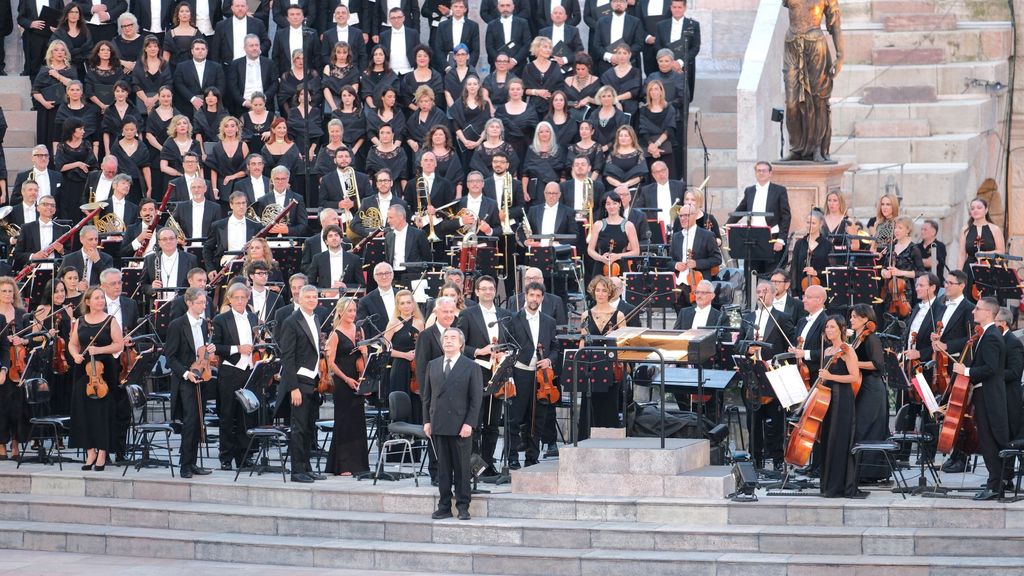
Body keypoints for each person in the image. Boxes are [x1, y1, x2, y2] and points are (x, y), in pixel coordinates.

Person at [952, 297, 1009, 500]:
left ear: (988, 313)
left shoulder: (991, 336)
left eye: (977, 308)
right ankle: (995, 483)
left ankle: (995, 487)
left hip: (989, 397)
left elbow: (991, 368)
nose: (973, 311)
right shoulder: (987, 334)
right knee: (987, 441)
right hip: (984, 395)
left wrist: (965, 370)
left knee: (989, 441)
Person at [423, 326, 482, 520]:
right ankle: (444, 506)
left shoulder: (471, 366)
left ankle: (463, 506)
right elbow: (427, 397)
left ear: (461, 343)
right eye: (445, 338)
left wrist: (469, 424)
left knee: (462, 468)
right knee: (443, 469)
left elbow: (476, 399)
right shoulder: (432, 365)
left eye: (453, 338)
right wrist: (427, 421)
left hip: (460, 425)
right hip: (439, 423)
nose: (448, 340)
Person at [68, 285, 123, 471]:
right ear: (88, 302)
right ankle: (90, 451)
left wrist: (99, 350)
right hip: (83, 371)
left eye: (102, 297)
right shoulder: (80, 321)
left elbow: (119, 345)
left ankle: (102, 453)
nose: (100, 301)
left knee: (102, 413)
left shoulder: (110, 320)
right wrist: (75, 355)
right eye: (96, 298)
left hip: (104, 371)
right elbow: (73, 344)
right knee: (83, 412)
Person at [278, 285, 328, 483]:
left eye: (314, 297)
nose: (311, 300)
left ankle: (307, 467)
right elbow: (287, 357)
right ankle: (297, 471)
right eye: (307, 297)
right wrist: (293, 388)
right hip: (299, 381)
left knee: (308, 427)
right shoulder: (291, 322)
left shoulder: (315, 319)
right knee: (298, 428)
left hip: (313, 380)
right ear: (298, 298)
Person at [742, 279, 793, 470]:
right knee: (753, 420)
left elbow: (789, 346)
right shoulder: (748, 317)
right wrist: (747, 349)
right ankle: (755, 459)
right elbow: (739, 343)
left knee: (775, 420)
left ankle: (778, 460)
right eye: (758, 291)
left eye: (765, 291)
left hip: (773, 373)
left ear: (773, 294)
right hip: (752, 374)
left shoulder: (782, 317)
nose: (761, 294)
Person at [782, 0, 843, 162]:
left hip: (816, 46)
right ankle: (796, 148)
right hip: (792, 46)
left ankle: (817, 147)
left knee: (818, 100)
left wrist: (840, 55)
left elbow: (835, 24)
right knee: (791, 102)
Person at [163, 286, 212, 478]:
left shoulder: (204, 324)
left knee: (198, 421)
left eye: (204, 302)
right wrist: (186, 373)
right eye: (200, 303)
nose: (203, 306)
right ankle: (185, 465)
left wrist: (209, 351)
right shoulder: (177, 325)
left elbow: (201, 352)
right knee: (190, 422)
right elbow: (170, 357)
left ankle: (192, 463)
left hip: (202, 377)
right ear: (189, 303)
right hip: (185, 380)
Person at [211, 282, 258, 470]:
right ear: (229, 299)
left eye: (243, 297)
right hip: (230, 371)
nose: (239, 301)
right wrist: (238, 348)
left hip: (249, 371)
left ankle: (244, 456)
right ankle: (226, 456)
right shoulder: (221, 319)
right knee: (228, 415)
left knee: (247, 414)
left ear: (248, 298)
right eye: (236, 298)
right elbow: (216, 347)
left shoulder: (253, 318)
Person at [817, 314, 862, 497]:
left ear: (842, 329)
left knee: (838, 438)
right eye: (827, 327)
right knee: (828, 438)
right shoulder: (828, 350)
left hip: (842, 398)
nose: (829, 330)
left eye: (832, 327)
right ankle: (827, 484)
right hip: (826, 398)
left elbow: (854, 376)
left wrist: (830, 377)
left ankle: (838, 485)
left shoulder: (847, 350)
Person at [324, 297, 371, 476]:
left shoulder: (359, 330)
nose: (352, 314)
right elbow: (331, 363)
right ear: (340, 312)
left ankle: (359, 464)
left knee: (357, 422)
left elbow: (364, 359)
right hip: (342, 381)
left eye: (354, 310)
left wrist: (365, 353)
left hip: (358, 378)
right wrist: (346, 379)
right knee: (344, 422)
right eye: (349, 311)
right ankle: (343, 465)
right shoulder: (335, 334)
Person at [848, 304, 890, 484]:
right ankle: (859, 471)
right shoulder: (856, 338)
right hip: (860, 386)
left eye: (855, 317)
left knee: (868, 428)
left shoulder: (871, 338)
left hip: (871, 388)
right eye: (851, 316)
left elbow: (877, 364)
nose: (851, 320)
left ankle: (870, 473)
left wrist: (852, 363)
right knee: (861, 428)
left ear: (865, 319)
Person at [725, 161, 792, 274]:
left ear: (770, 173)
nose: (761, 173)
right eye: (758, 171)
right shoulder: (749, 190)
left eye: (764, 171)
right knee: (751, 273)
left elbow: (786, 216)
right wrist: (727, 225)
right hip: (752, 238)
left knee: (772, 273)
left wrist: (781, 239)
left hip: (772, 236)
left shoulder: (779, 190)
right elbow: (740, 210)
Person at [671, 204, 721, 307]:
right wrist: (676, 265)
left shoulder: (707, 235)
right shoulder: (676, 237)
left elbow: (717, 259)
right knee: (680, 314)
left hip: (699, 284)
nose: (682, 218)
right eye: (681, 216)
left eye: (686, 215)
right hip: (679, 285)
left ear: (694, 216)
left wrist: (696, 263)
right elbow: (670, 261)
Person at [655, 0, 700, 101]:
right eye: (674, 7)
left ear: (685, 8)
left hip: (685, 67)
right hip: (665, 66)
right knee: (665, 96)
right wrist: (669, 62)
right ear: (670, 8)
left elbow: (695, 47)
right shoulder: (661, 25)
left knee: (685, 98)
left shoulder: (693, 25)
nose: (677, 10)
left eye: (679, 7)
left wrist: (679, 63)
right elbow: (657, 45)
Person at [958, 197, 1004, 295]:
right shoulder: (965, 229)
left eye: (979, 208)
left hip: (989, 268)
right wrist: (958, 275)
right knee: (968, 297)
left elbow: (1001, 251)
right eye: (972, 208)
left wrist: (984, 254)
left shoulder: (995, 229)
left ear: (986, 210)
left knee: (988, 298)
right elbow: (962, 254)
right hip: (969, 269)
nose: (975, 210)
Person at [790, 210, 831, 298]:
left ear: (820, 224)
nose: (810, 225)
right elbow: (794, 268)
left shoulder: (827, 245)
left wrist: (817, 272)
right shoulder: (799, 244)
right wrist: (794, 293)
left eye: (813, 223)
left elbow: (831, 269)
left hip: (821, 289)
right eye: (808, 222)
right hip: (802, 290)